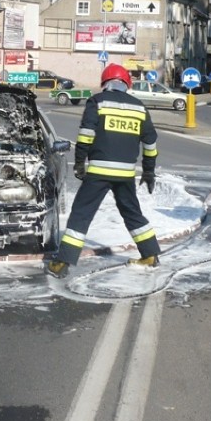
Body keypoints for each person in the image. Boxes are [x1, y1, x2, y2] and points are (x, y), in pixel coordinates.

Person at [46, 64, 161, 279]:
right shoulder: (139, 107)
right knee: (132, 213)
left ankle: (62, 263)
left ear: (106, 83)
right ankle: (150, 254)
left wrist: (80, 162)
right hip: (126, 175)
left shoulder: (97, 102)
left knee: (81, 215)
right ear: (127, 84)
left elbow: (86, 134)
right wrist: (148, 172)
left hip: (99, 172)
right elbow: (150, 142)